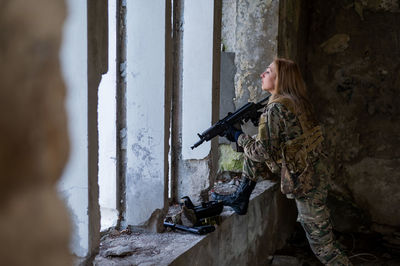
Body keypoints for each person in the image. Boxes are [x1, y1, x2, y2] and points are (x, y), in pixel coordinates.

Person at [212, 58, 352, 265]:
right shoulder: (297, 101)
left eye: (268, 72)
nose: (262, 74)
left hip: (308, 184)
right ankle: (242, 196)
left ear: (280, 79)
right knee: (325, 238)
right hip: (316, 173)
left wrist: (237, 136)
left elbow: (261, 152)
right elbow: (288, 136)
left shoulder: (276, 109)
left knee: (323, 247)